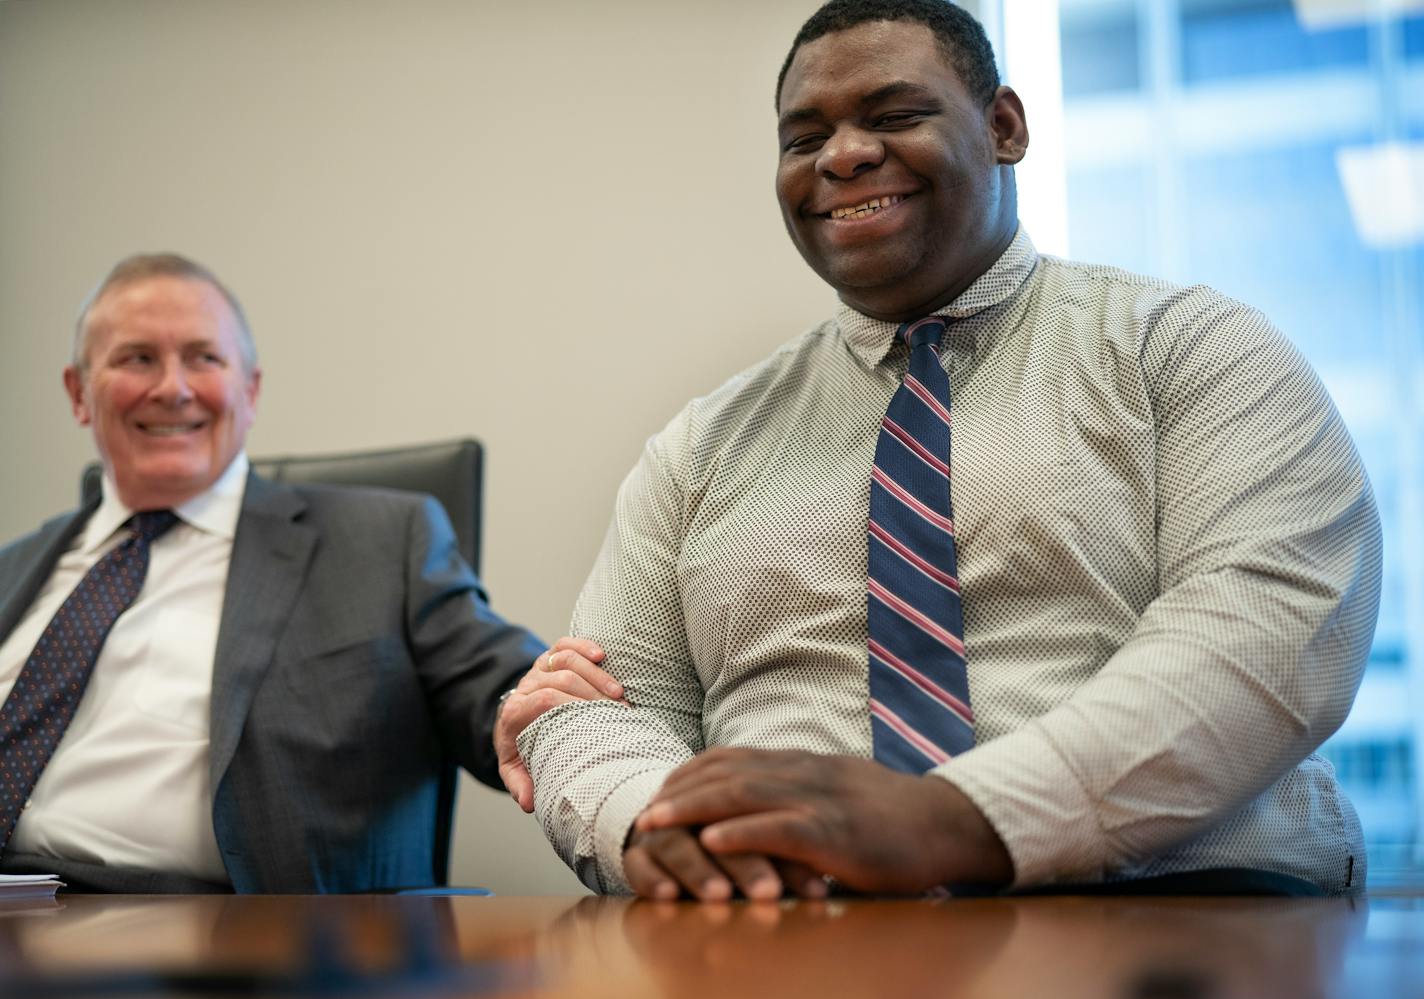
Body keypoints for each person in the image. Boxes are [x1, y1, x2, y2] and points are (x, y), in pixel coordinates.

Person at [518, 0, 1381, 900]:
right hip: (783, 925)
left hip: (1167, 908)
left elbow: (1271, 633)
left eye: (894, 117)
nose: (842, 154)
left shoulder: (1193, 350)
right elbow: (593, 705)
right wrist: (657, 829)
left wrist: (957, 820)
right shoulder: (700, 446)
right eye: (803, 137)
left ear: (1003, 127)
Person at [0, 253, 621, 893]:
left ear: (250, 390)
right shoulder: (13, 572)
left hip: (224, 941)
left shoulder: (379, 542)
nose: (174, 387)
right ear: (79, 393)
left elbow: (493, 687)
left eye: (204, 358)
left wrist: (529, 706)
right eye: (137, 359)